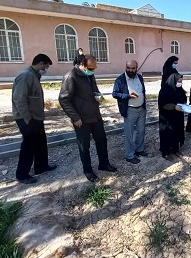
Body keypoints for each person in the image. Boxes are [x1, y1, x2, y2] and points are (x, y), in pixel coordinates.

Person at [59, 54, 117, 182]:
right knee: (84, 146)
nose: (93, 70)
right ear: (82, 65)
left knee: (101, 140)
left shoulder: (89, 75)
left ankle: (104, 164)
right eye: (91, 68)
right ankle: (88, 170)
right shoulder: (71, 76)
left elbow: (94, 90)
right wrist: (75, 117)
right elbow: (63, 99)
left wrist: (98, 96)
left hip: (95, 116)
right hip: (81, 119)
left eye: (94, 68)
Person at [11, 53, 55, 184]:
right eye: (46, 66)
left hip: (36, 117)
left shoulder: (34, 76)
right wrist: (28, 119)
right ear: (40, 63)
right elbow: (19, 99)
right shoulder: (26, 76)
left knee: (40, 141)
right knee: (29, 146)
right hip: (27, 118)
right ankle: (22, 174)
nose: (46, 69)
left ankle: (41, 166)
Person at [112, 60, 148, 164]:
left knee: (141, 131)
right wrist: (127, 96)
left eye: (133, 68)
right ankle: (129, 155)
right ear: (125, 67)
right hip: (129, 110)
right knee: (129, 134)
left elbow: (143, 91)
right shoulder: (120, 79)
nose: (130, 70)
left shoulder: (140, 77)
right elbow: (114, 94)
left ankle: (139, 149)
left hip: (141, 109)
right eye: (128, 68)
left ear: (136, 68)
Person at [158, 73, 187, 159]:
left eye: (181, 81)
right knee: (167, 133)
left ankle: (175, 149)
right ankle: (165, 152)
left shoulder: (180, 89)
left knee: (177, 132)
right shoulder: (165, 90)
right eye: (179, 81)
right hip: (167, 117)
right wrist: (174, 106)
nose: (180, 83)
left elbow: (183, 98)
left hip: (177, 116)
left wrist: (184, 105)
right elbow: (162, 104)